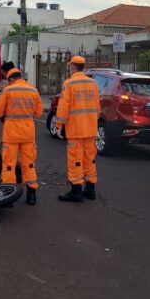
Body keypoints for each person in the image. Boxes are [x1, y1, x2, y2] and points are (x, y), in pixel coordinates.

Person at [0, 68, 43, 205]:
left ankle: (9, 196)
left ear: (11, 80)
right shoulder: (33, 90)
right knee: (29, 164)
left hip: (11, 134)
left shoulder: (8, 91)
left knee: (9, 165)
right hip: (28, 134)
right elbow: (38, 113)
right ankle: (31, 195)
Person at [55, 55, 100, 203]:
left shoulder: (69, 84)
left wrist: (59, 126)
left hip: (76, 129)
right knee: (90, 159)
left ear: (73, 67)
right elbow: (97, 107)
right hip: (90, 128)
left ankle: (76, 191)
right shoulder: (93, 83)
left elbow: (62, 108)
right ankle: (91, 189)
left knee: (76, 159)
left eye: (70, 66)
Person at [0, 61, 16, 146]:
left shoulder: (10, 83)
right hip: (19, 122)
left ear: (7, 72)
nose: (3, 75)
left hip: (6, 118)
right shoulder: (20, 82)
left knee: (1, 143)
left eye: (3, 72)